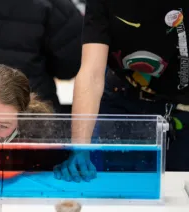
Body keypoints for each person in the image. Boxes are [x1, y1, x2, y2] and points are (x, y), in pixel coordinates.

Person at [64, 0, 189, 182]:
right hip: (122, 96)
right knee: (113, 188)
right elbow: (91, 74)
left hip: (182, 106)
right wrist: (79, 147)